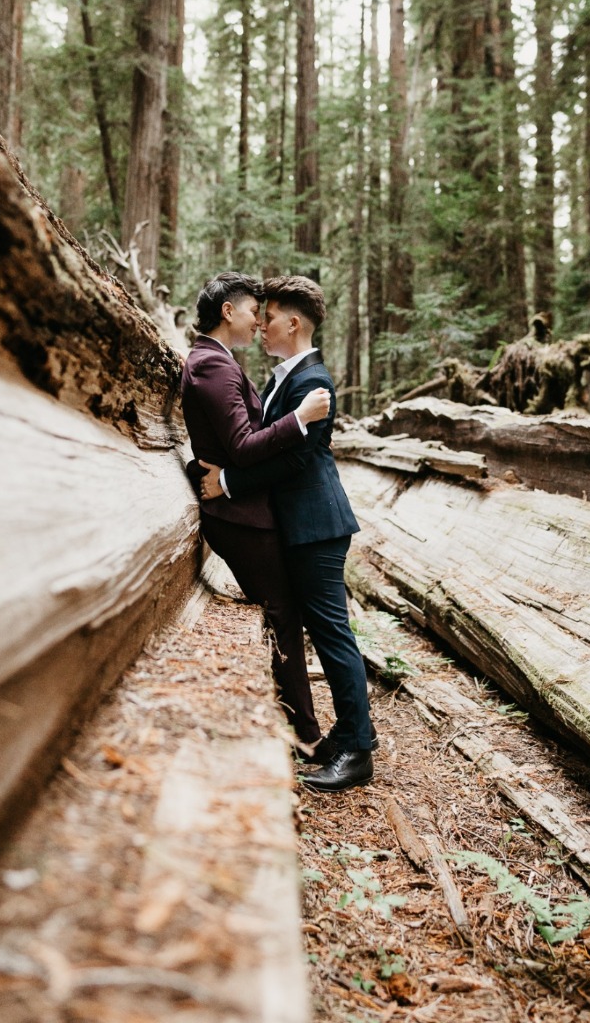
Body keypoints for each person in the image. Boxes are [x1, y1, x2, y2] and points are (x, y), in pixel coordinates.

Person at [199, 275, 376, 793]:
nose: (262, 324)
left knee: (331, 633)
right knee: (324, 631)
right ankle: (348, 734)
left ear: (293, 323)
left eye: (270, 317)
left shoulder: (311, 382)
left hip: (316, 524)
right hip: (299, 525)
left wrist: (227, 482)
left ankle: (358, 751)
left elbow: (297, 459)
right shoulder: (285, 377)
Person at [180, 272, 332, 756]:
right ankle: (305, 736)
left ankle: (301, 728)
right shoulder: (213, 365)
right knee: (283, 614)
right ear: (228, 312)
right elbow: (243, 446)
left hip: (245, 509)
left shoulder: (218, 362)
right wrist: (299, 419)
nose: (258, 323)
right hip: (238, 518)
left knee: (285, 613)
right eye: (252, 312)